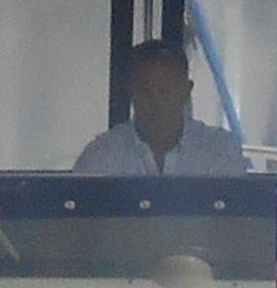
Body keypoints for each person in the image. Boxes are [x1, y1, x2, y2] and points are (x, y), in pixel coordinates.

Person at [69, 13, 251, 175]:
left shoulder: (219, 150)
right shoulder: (101, 155)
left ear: (186, 91)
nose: (156, 104)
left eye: (165, 92)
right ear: (130, 92)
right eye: (146, 92)